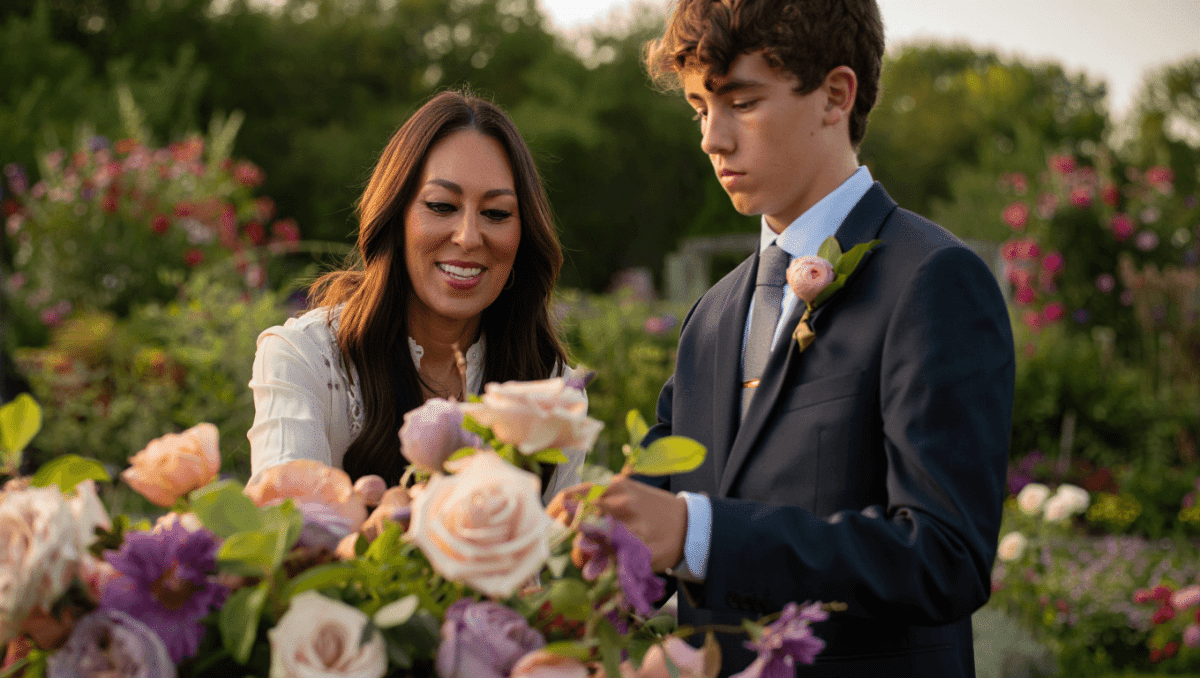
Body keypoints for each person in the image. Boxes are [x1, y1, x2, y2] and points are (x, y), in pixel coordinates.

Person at [572, 1, 1016, 675]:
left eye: (742, 103)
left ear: (835, 95)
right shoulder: (710, 316)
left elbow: (943, 557)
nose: (711, 139)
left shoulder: (933, 280)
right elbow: (654, 532)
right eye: (699, 109)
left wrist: (700, 533)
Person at [248, 90, 585, 503]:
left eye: (496, 213)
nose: (468, 237)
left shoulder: (553, 393)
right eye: (442, 206)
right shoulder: (305, 359)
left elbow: (556, 541)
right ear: (396, 217)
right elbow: (283, 527)